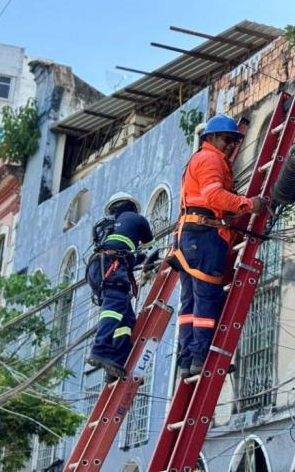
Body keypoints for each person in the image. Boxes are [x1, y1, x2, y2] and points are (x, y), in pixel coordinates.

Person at [173, 114, 266, 379]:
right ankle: (201, 356)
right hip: (204, 235)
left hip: (190, 235)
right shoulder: (210, 159)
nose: (230, 145)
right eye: (227, 139)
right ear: (211, 138)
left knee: (190, 302)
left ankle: (188, 360)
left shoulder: (202, 159)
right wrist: (247, 204)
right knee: (207, 297)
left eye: (234, 141)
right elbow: (213, 195)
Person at [86, 192, 153, 381]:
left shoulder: (110, 228)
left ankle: (115, 363)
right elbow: (151, 247)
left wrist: (139, 259)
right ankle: (100, 349)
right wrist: (152, 262)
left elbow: (128, 255)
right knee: (114, 308)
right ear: (132, 206)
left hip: (97, 268)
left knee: (126, 319)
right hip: (113, 266)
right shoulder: (136, 219)